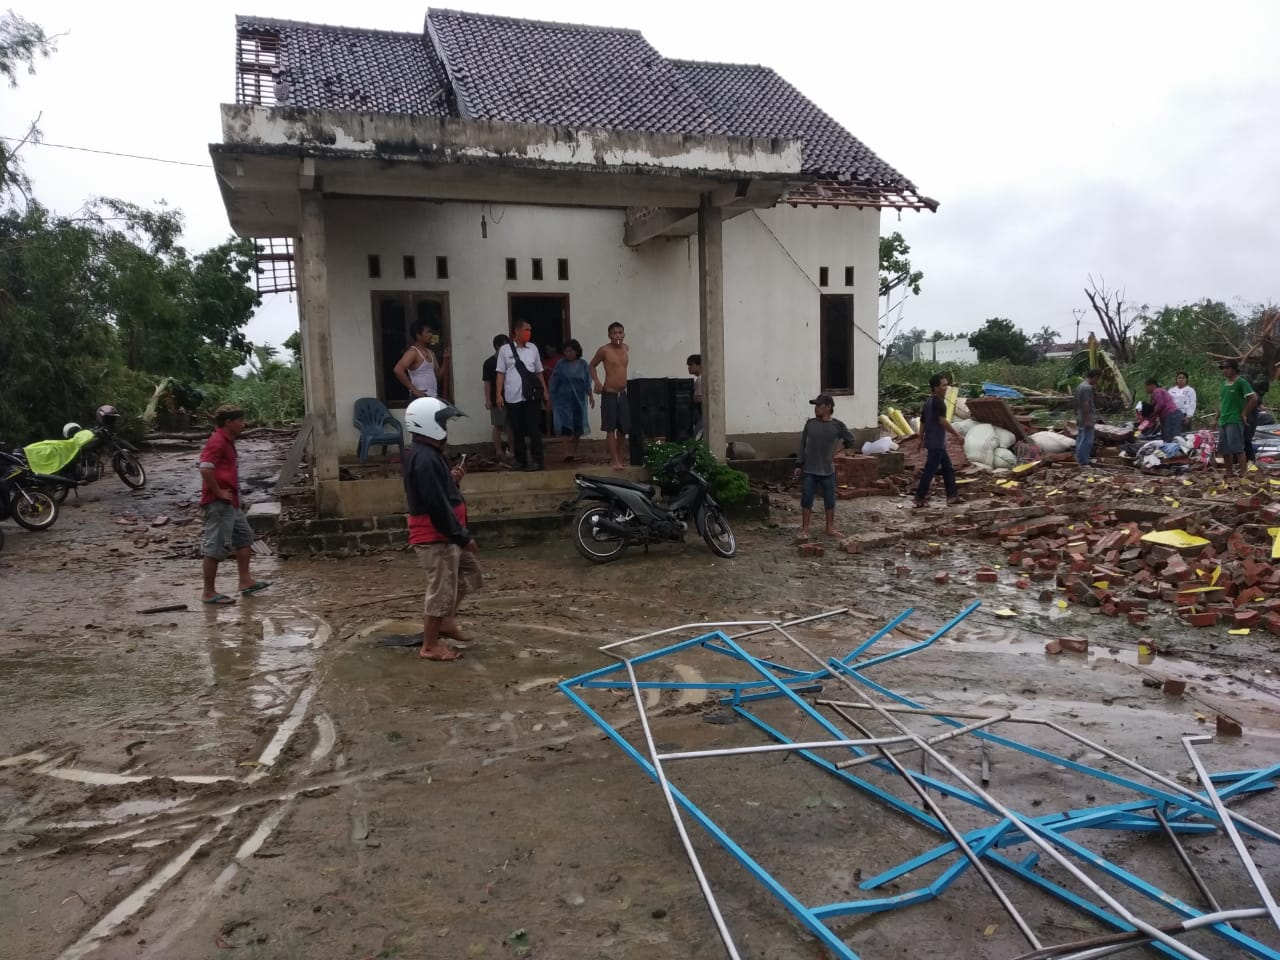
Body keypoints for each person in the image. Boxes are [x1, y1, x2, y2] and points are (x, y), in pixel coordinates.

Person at [402, 396, 481, 662]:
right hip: (437, 536)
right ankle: (430, 645)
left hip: (447, 534)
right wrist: (461, 536)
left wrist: (452, 481)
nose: (446, 427)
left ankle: (446, 620)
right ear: (428, 424)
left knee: (469, 575)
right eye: (442, 421)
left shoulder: (430, 456)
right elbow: (436, 506)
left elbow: (439, 492)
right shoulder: (425, 459)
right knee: (440, 590)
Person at [198, 405, 269, 605]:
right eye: (240, 420)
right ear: (229, 422)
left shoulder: (227, 441)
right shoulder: (217, 441)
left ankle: (245, 581)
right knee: (215, 546)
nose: (243, 424)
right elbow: (204, 469)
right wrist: (219, 491)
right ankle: (208, 593)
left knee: (244, 537)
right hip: (219, 503)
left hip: (231, 502)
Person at [791, 393, 856, 537]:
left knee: (830, 499)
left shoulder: (837, 426)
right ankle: (805, 529)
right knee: (807, 498)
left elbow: (851, 439)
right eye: (815, 406)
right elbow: (802, 445)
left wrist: (838, 450)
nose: (816, 408)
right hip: (809, 469)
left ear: (828, 407)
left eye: (819, 406)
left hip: (827, 470)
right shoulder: (810, 424)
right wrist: (798, 464)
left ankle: (829, 528)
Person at [495, 320, 549, 471]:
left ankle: (538, 461)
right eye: (526, 330)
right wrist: (498, 394)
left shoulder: (533, 349)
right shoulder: (505, 350)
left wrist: (544, 390)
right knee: (517, 430)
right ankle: (521, 461)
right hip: (513, 396)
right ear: (517, 331)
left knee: (534, 429)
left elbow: (539, 372)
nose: (528, 333)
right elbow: (500, 373)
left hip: (531, 396)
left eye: (530, 330)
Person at [913, 373, 964, 508]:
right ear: (936, 388)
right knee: (930, 470)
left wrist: (920, 438)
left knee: (948, 468)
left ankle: (952, 496)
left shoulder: (928, 401)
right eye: (943, 385)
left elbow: (923, 421)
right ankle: (919, 497)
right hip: (937, 443)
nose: (946, 388)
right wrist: (957, 435)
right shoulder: (939, 403)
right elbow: (942, 421)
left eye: (946, 385)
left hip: (934, 442)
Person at [589, 322, 630, 469]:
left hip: (623, 393)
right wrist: (597, 382)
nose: (617, 335)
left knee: (623, 428)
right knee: (610, 428)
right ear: (609, 335)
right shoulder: (604, 350)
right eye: (614, 333)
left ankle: (620, 457)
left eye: (620, 332)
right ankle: (614, 460)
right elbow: (592, 365)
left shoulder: (626, 348)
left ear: (624, 334)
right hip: (610, 392)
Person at [549, 338, 593, 462]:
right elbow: (554, 381)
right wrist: (550, 398)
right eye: (566, 351)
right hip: (563, 401)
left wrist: (590, 395)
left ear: (576, 351)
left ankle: (573, 451)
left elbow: (587, 380)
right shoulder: (560, 365)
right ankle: (566, 452)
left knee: (578, 428)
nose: (568, 353)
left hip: (579, 401)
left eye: (570, 351)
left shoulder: (583, 364)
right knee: (565, 428)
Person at [1217, 360, 1257, 478]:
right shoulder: (1224, 384)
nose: (1225, 370)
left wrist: (1244, 413)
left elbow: (1253, 398)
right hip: (1223, 419)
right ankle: (1229, 472)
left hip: (1234, 419)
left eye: (1227, 368)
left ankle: (1243, 472)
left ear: (1234, 369)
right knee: (1224, 449)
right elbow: (1221, 403)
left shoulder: (1241, 382)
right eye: (1223, 368)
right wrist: (1215, 418)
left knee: (1237, 448)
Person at [394, 318, 448, 400]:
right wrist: (414, 390)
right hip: (419, 398)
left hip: (433, 397)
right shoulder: (413, 352)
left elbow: (438, 376)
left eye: (431, 332)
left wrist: (446, 359)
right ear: (418, 335)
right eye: (428, 332)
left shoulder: (431, 352)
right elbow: (398, 370)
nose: (431, 335)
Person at [481, 334, 512, 461]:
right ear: (497, 346)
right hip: (496, 399)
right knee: (498, 425)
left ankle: (512, 450)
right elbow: (487, 382)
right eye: (505, 344)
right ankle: (499, 450)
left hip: (511, 397)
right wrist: (488, 399)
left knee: (511, 425)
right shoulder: (489, 363)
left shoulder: (510, 361)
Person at [1074, 369, 1100, 466]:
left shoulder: (1080, 386)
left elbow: (1075, 402)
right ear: (1095, 377)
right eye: (1098, 379)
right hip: (1086, 417)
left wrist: (1076, 414)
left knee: (1080, 438)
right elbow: (1086, 404)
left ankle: (1079, 459)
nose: (1097, 381)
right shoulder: (1087, 388)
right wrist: (1087, 419)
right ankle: (1083, 461)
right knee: (1087, 440)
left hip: (1080, 416)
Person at [1245, 379, 1268, 463]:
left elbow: (1261, 406)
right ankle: (1248, 461)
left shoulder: (1253, 395)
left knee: (1246, 441)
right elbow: (1262, 407)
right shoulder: (1251, 395)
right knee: (1245, 442)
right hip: (1248, 421)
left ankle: (1250, 461)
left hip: (1249, 421)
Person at [687, 353, 703, 433]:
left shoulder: (700, 380)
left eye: (690, 365)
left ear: (698, 365)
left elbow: (700, 398)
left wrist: (689, 398)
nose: (689, 368)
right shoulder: (700, 379)